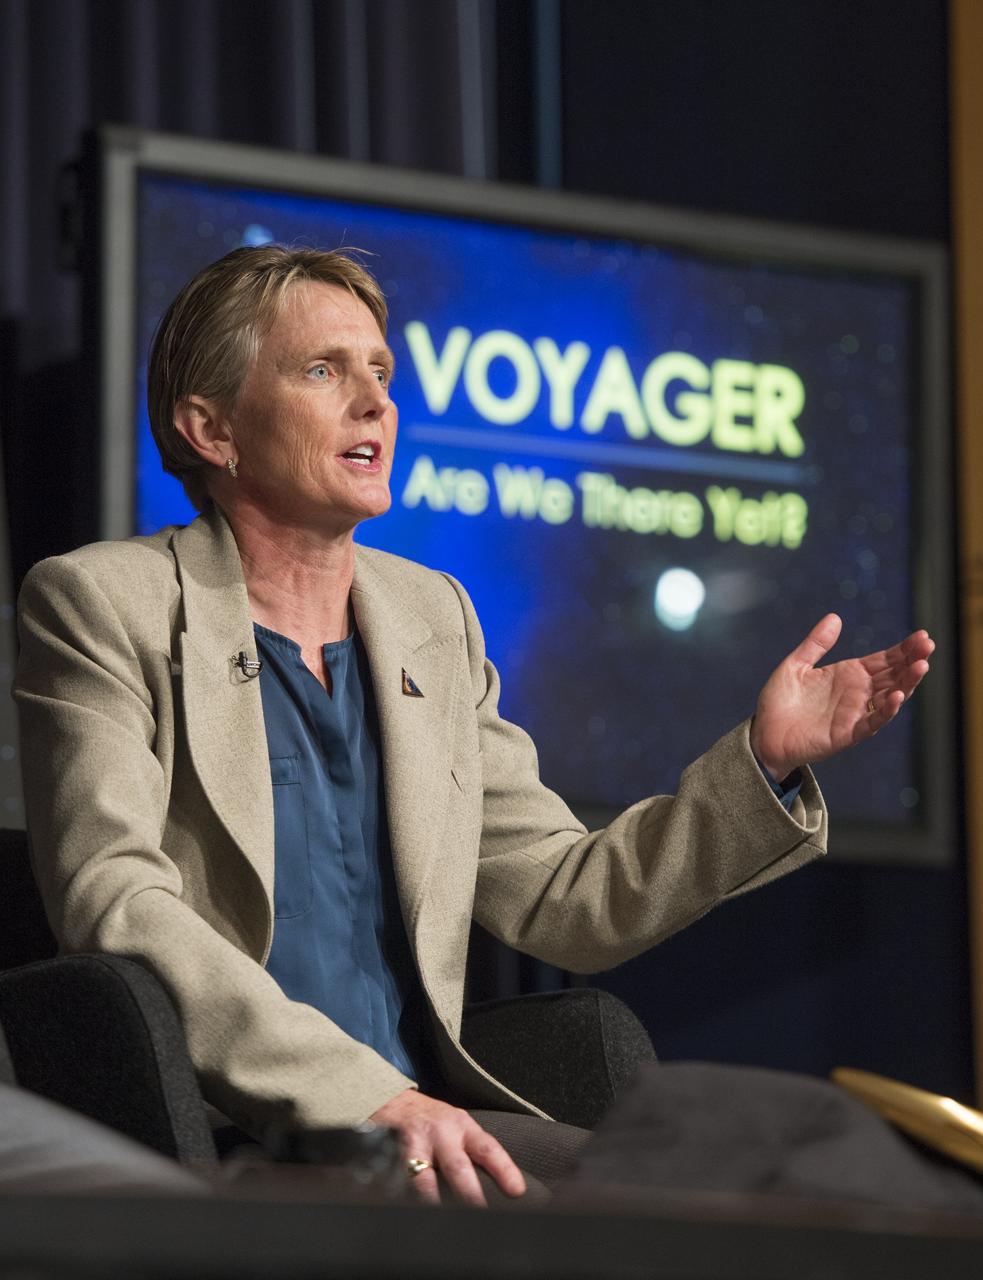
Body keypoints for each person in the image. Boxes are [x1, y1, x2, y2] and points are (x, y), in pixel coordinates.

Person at [14, 246, 933, 1208]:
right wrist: (363, 1095)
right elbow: (112, 895)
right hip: (229, 1127)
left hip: (427, 1129)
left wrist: (765, 766)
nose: (374, 403)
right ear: (210, 427)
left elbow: (567, 901)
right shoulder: (102, 602)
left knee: (722, 1202)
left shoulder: (431, 617)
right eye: (323, 371)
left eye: (381, 374)